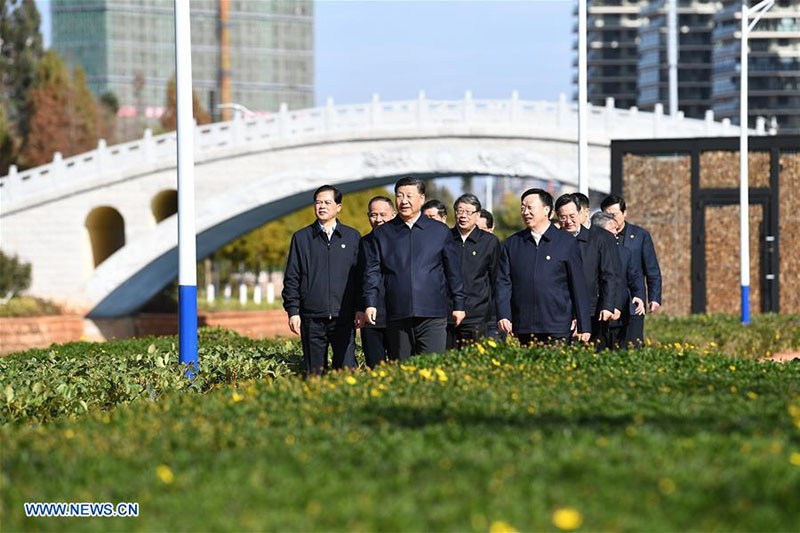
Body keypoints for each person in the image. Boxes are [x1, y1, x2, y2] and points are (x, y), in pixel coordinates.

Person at [363, 177, 466, 359]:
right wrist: (370, 302)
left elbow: (453, 271)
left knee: (431, 367)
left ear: (422, 198)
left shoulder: (439, 231)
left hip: (432, 313)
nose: (404, 201)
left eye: (409, 195)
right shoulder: (383, 233)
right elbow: (373, 272)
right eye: (400, 196)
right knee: (403, 370)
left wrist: (458, 304)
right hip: (397, 313)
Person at [495, 188, 591, 346]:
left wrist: (584, 324)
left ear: (547, 210)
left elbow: (578, 285)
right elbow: (503, 283)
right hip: (523, 326)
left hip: (557, 325)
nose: (525, 212)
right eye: (522, 208)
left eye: (530, 207)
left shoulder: (566, 242)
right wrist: (504, 315)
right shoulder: (512, 244)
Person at [282, 185, 361, 376]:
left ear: (338, 207)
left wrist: (360, 307)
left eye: (327, 202)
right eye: (318, 202)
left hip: (344, 317)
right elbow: (292, 277)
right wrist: (293, 311)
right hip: (312, 319)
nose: (322, 206)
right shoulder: (301, 238)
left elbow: (359, 278)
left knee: (346, 372)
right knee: (314, 374)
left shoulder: (352, 237)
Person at [555, 194, 622, 349]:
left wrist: (608, 305)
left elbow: (610, 274)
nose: (568, 221)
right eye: (563, 217)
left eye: (572, 216)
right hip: (561, 311)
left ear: (581, 213)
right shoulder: (553, 240)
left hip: (593, 310)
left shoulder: (601, 238)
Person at [601, 194, 662, 347]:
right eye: (607, 215)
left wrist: (654, 297)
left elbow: (652, 269)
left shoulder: (640, 236)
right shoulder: (598, 237)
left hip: (634, 301)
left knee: (631, 345)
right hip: (607, 302)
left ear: (624, 213)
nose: (611, 219)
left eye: (614, 214)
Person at [446, 194, 501, 349]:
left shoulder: (489, 242)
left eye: (469, 212)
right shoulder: (445, 238)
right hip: (447, 316)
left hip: (477, 316)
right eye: (460, 211)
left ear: (477, 215)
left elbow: (495, 279)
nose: (463, 216)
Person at [591, 211, 645, 348]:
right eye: (611, 231)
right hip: (596, 317)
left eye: (616, 230)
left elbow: (634, 278)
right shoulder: (588, 252)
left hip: (621, 318)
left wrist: (639, 296)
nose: (616, 234)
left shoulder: (625, 253)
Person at [355, 196, 396, 368]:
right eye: (373, 215)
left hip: (398, 317)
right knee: (375, 369)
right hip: (371, 318)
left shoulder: (404, 241)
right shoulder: (363, 243)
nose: (378, 219)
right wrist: (358, 309)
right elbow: (357, 279)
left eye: (382, 214)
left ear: (393, 214)